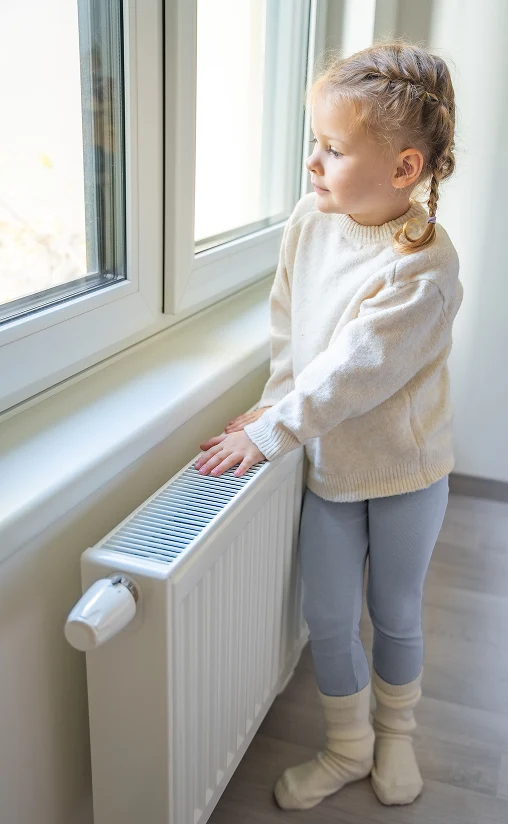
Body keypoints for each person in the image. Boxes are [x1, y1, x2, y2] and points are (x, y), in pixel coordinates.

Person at [194, 41, 462, 809]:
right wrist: (271, 405)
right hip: (334, 469)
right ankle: (347, 746)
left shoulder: (425, 268)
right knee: (327, 612)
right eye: (316, 142)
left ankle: (397, 735)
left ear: (404, 170)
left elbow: (354, 369)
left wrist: (276, 430)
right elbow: (295, 333)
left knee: (395, 611)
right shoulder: (310, 223)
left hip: (408, 471)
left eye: (334, 149)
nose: (313, 163)